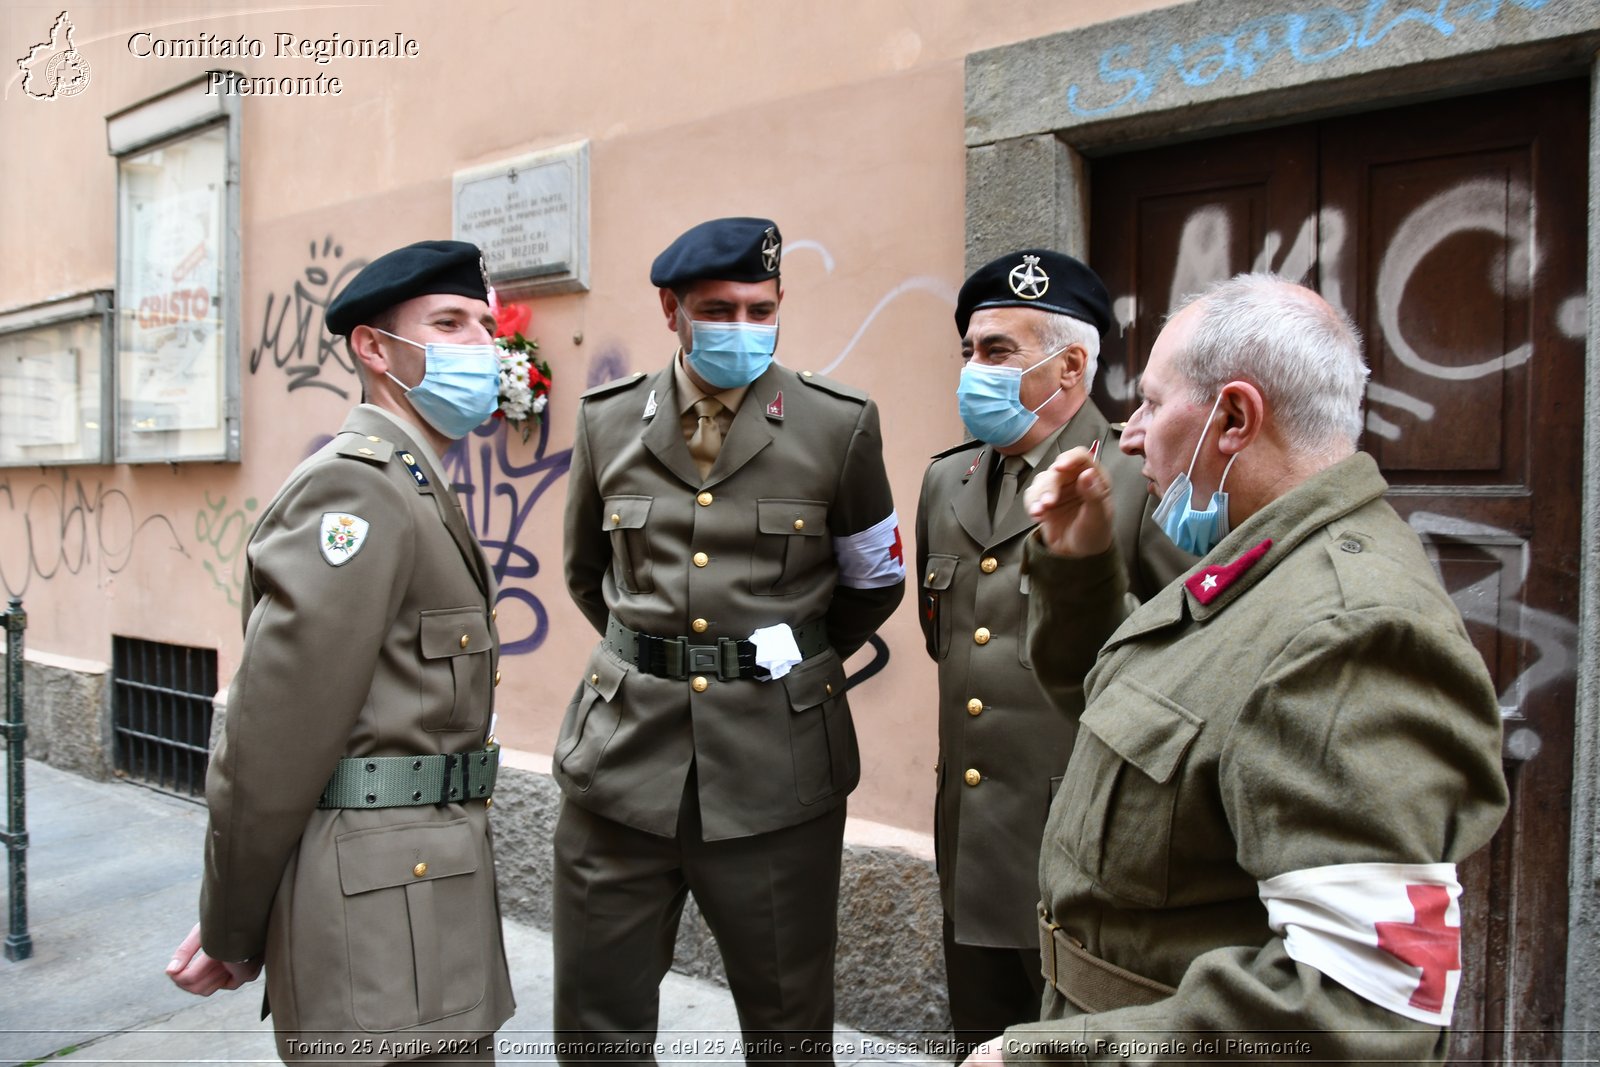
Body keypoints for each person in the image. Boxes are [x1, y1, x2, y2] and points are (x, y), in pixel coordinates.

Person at [962, 273, 1508, 1064]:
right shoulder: (1259, 555)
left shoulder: (1351, 632)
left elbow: (1354, 1013)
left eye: (1151, 402)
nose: (1130, 434)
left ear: (1236, 417)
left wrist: (1038, 1058)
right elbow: (1132, 718)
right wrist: (1078, 563)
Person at [555, 216, 905, 1062]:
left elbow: (876, 578)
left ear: (780, 303)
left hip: (777, 768)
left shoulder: (838, 425)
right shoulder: (608, 423)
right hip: (622, 764)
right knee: (598, 1020)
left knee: (788, 1022)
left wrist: (777, 666)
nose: (742, 327)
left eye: (760, 308)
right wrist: (662, 662)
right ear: (670, 309)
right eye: (719, 308)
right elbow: (586, 573)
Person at [166, 240, 515, 1065]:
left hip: (425, 903)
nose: (480, 345)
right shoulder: (357, 486)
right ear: (374, 348)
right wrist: (232, 921)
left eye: (483, 325)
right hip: (378, 930)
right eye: (449, 323)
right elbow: (270, 744)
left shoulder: (415, 479)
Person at [915, 250, 1191, 1052]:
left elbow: (1184, 667)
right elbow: (950, 643)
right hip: (970, 844)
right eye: (969, 351)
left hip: (1083, 855)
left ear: (1069, 365)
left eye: (996, 351)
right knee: (980, 1043)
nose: (973, 369)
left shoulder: (1143, 482)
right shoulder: (950, 480)